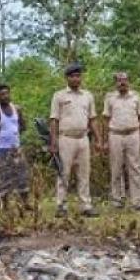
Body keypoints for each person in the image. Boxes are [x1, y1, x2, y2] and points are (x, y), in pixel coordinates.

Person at [49, 63, 103, 218]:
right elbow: (53, 120)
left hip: (83, 139)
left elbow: (93, 119)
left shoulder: (87, 95)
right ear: (67, 78)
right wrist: (53, 142)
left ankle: (86, 205)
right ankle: (61, 205)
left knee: (84, 173)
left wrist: (98, 140)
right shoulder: (59, 95)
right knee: (63, 173)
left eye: (78, 76)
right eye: (72, 76)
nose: (75, 79)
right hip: (65, 138)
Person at [103, 72, 140, 211]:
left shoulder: (136, 97)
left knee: (135, 168)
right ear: (115, 82)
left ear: (129, 81)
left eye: (124, 80)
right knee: (116, 168)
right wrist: (105, 141)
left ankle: (137, 202)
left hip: (133, 134)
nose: (122, 82)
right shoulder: (110, 98)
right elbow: (105, 119)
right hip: (115, 135)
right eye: (119, 80)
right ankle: (117, 200)